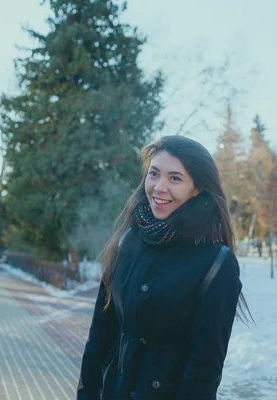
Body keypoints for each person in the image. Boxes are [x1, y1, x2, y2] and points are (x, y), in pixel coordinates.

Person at [77, 135, 252, 400]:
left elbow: (204, 373)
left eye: (175, 178)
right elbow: (99, 339)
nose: (159, 187)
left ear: (198, 189)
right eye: (154, 174)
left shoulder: (216, 264)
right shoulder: (127, 243)